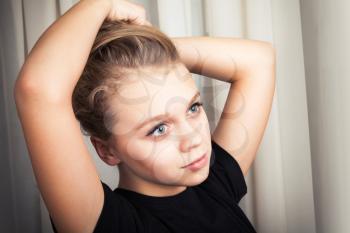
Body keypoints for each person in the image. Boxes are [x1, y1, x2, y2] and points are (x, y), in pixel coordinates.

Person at [14, 0, 275, 232]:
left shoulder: (215, 183)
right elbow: (38, 90)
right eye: (159, 129)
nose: (193, 140)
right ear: (107, 150)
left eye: (193, 108)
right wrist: (99, 4)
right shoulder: (110, 223)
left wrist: (147, 55)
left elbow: (259, 60)